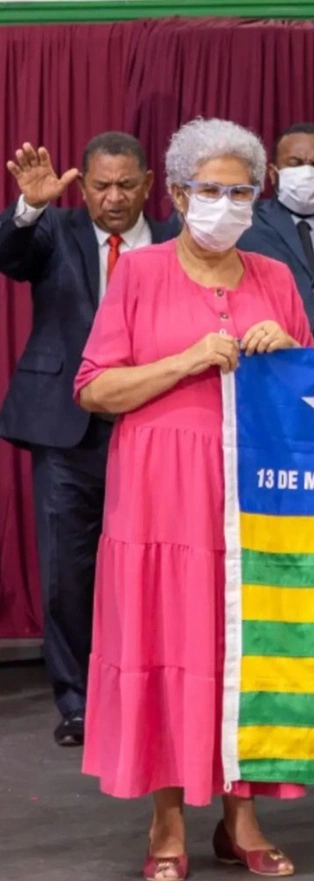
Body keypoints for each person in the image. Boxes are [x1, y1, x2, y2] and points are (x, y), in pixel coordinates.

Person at [75, 118, 314, 881]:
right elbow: (95, 388)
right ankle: (168, 820)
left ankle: (241, 817)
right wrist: (184, 362)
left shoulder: (275, 276)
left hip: (251, 500)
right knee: (166, 649)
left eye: (240, 191)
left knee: (243, 653)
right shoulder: (139, 273)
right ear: (177, 194)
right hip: (157, 501)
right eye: (209, 189)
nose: (226, 202)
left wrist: (291, 355)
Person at [0, 133, 176, 747]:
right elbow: (10, 255)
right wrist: (28, 210)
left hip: (157, 426)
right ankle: (77, 702)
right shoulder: (57, 231)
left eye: (127, 185)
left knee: (159, 566)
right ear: (85, 184)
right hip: (66, 427)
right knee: (65, 572)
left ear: (149, 184)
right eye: (101, 185)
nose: (113, 197)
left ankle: (154, 692)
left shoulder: (180, 240)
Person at [237, 122, 314, 344]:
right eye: (294, 164)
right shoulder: (244, 219)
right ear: (272, 173)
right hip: (271, 356)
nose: (307, 173)